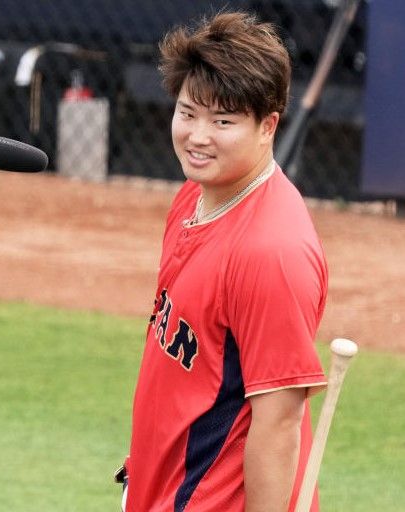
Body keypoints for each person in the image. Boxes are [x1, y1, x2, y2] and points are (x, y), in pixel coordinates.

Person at [122, 11, 329, 512]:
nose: (197, 136)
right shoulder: (196, 197)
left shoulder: (271, 253)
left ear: (267, 125)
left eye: (223, 121)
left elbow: (279, 424)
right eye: (188, 112)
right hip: (164, 488)